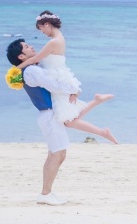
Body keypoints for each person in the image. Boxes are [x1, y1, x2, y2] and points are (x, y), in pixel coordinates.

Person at [16, 10, 118, 144]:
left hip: (57, 79)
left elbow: (35, 59)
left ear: (47, 24)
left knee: (68, 120)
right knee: (69, 117)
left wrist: (15, 70)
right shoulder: (59, 38)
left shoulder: (53, 42)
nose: (42, 33)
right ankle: (99, 110)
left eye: (41, 29)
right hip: (60, 77)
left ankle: (102, 129)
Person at [6, 38, 81, 205]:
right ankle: (46, 194)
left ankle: (46, 192)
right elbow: (52, 84)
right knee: (58, 154)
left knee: (55, 154)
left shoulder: (29, 69)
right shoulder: (32, 71)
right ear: (21, 56)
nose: (31, 46)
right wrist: (74, 89)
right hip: (49, 116)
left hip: (47, 115)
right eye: (26, 47)